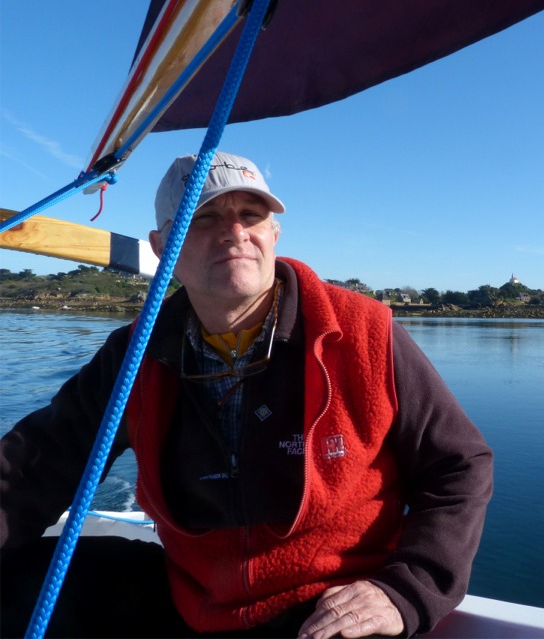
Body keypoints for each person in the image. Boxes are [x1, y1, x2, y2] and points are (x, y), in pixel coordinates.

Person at [0, 152, 494, 639]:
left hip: (327, 610)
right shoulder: (134, 353)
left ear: (273, 235)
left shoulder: (365, 332)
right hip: (195, 603)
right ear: (163, 244)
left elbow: (459, 464)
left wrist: (406, 589)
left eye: (251, 216)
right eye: (206, 217)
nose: (235, 232)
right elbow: (39, 465)